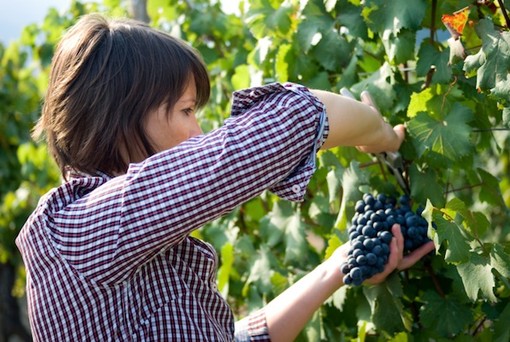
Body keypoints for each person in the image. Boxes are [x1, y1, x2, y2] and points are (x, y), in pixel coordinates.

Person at [16, 13, 435, 342]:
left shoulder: (122, 246)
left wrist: (338, 267)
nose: (197, 130)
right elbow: (294, 120)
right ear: (122, 120)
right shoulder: (77, 230)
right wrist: (378, 133)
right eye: (186, 110)